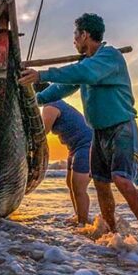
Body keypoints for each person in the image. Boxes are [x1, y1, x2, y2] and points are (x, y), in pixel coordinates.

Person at [19, 13, 138, 247]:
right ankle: (113, 234)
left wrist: (41, 74)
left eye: (75, 36)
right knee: (100, 183)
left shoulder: (109, 57)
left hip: (121, 128)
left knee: (121, 180)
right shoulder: (85, 64)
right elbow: (62, 88)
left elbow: (85, 73)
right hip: (98, 133)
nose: (74, 41)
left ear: (85, 34)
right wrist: (33, 100)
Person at [37, 90, 93, 224]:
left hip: (86, 145)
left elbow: (43, 131)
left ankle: (83, 223)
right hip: (74, 148)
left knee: (79, 187)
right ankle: (79, 217)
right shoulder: (57, 104)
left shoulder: (51, 106)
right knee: (71, 185)